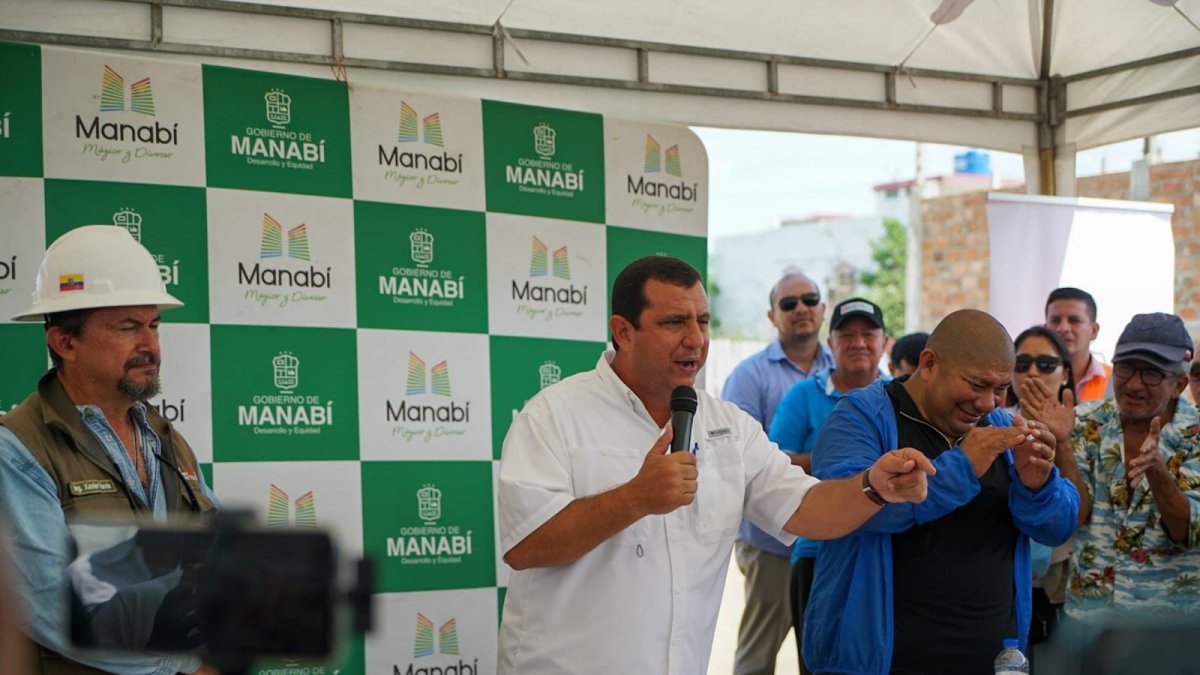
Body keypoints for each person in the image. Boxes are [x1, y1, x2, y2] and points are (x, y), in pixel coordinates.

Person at [496, 256, 936, 675]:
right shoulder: (554, 415)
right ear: (623, 332)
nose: (696, 339)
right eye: (674, 323)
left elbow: (806, 507)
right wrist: (634, 498)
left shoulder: (728, 425)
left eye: (703, 322)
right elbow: (525, 545)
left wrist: (874, 487)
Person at [802, 309, 1079, 675]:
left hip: (995, 658)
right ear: (929, 364)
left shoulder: (998, 424)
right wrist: (962, 467)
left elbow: (1057, 528)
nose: (987, 403)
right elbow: (844, 514)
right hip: (880, 661)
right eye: (977, 385)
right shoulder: (859, 418)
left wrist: (1038, 485)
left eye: (999, 389)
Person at [0, 226, 218, 675]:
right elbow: (55, 609)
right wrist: (182, 663)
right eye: (128, 328)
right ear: (65, 342)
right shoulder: (17, 449)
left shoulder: (163, 438)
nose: (151, 347)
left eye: (154, 325)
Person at [1048, 313, 1200, 619]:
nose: (1134, 384)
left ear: (1178, 384)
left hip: (1172, 628)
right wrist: (1062, 444)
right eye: (1126, 367)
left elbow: (1188, 531)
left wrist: (1157, 472)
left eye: (1151, 373)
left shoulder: (1194, 435)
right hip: (1090, 620)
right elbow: (1074, 517)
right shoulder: (1086, 421)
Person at [720, 271, 832, 675]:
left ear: (822, 309)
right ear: (772, 315)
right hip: (771, 543)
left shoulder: (844, 367)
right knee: (757, 657)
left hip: (833, 541)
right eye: (788, 304)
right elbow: (736, 458)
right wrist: (821, 461)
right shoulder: (749, 376)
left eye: (809, 299)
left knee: (820, 654)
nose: (800, 309)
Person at [768, 297, 889, 672]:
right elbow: (774, 463)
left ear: (885, 342)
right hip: (816, 554)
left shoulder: (900, 396)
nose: (858, 343)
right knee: (819, 663)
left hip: (883, 552)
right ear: (830, 343)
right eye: (846, 335)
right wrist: (836, 460)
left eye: (868, 334)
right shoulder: (804, 395)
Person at [1006, 326, 1077, 647]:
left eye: (1046, 364)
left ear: (1065, 373)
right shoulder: (992, 422)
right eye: (1022, 364)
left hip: (1059, 583)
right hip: (1002, 577)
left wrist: (1061, 440)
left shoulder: (1087, 423)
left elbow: (1081, 511)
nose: (1033, 372)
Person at [1045, 287, 1112, 402]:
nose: (1063, 328)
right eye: (1055, 320)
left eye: (1074, 320)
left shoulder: (1113, 381)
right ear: (1045, 329)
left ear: (1094, 331)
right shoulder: (1026, 375)